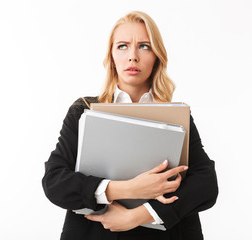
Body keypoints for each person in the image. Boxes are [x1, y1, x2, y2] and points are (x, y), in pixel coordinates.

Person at [42, 11, 218, 240]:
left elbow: (206, 185)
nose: (132, 56)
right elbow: (55, 181)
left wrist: (138, 216)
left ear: (156, 56)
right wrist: (129, 189)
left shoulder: (175, 115)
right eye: (123, 46)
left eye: (144, 46)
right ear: (111, 56)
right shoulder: (83, 110)